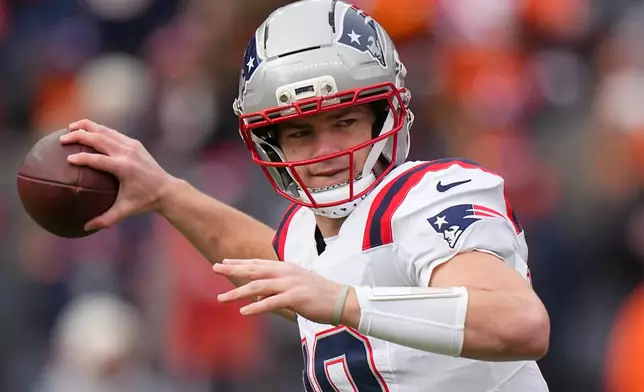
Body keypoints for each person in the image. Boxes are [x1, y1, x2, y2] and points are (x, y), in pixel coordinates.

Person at [59, 0, 550, 390]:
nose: (326, 151)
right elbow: (277, 268)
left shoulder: (426, 196)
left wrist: (343, 303)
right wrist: (165, 193)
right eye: (299, 133)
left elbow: (520, 322)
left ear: (384, 115)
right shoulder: (306, 233)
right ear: (269, 141)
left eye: (344, 122)